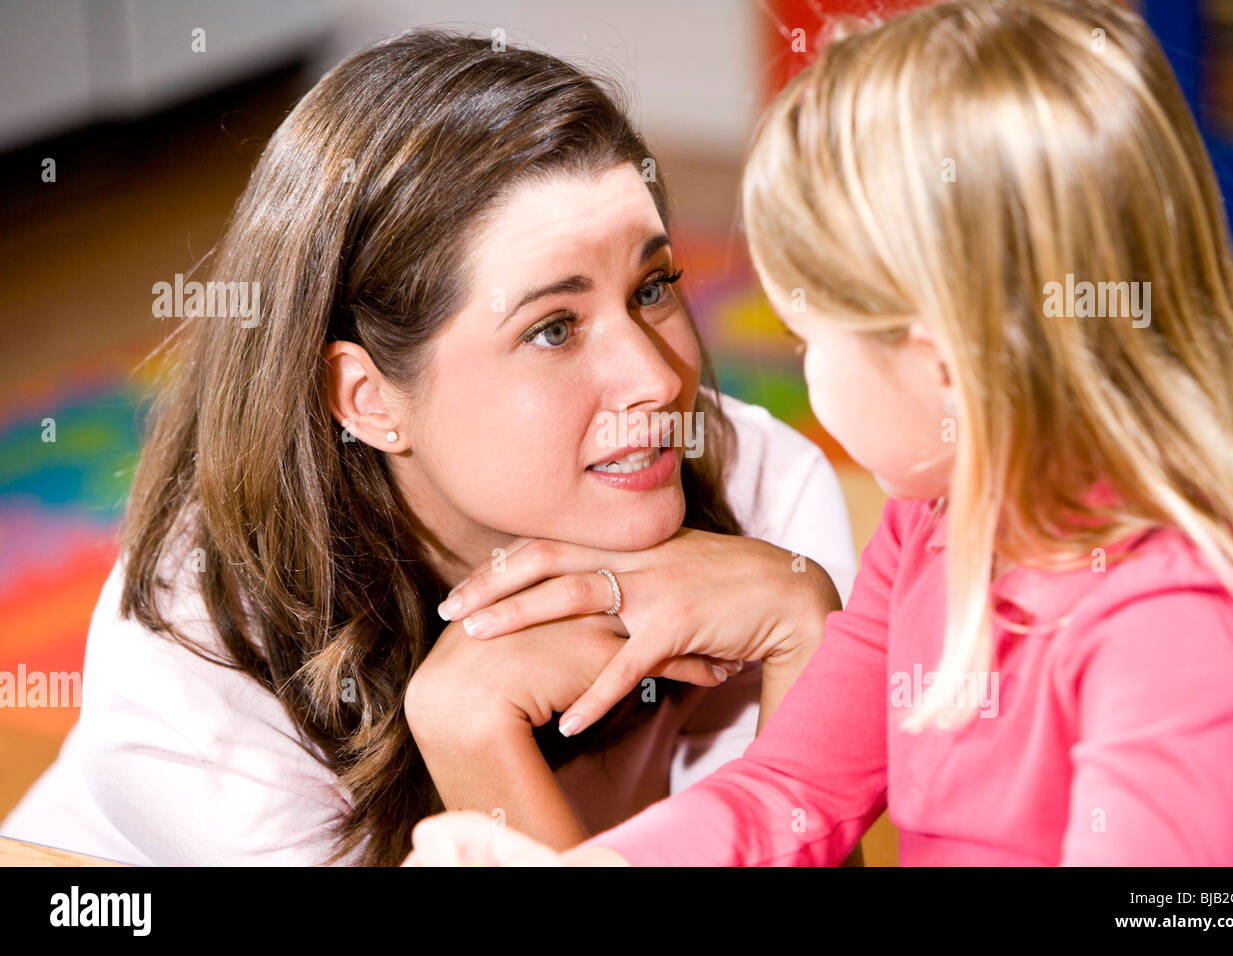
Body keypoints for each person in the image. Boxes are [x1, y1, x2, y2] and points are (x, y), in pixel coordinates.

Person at [401, 0, 1233, 867]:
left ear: (942, 369)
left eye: (810, 339)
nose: (803, 366)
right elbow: (794, 789)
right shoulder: (933, 521)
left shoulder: (1176, 611)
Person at [0, 29, 858, 866]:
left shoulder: (763, 489)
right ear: (369, 399)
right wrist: (469, 725)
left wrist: (799, 620)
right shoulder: (203, 655)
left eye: (654, 285)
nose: (658, 379)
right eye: (554, 328)